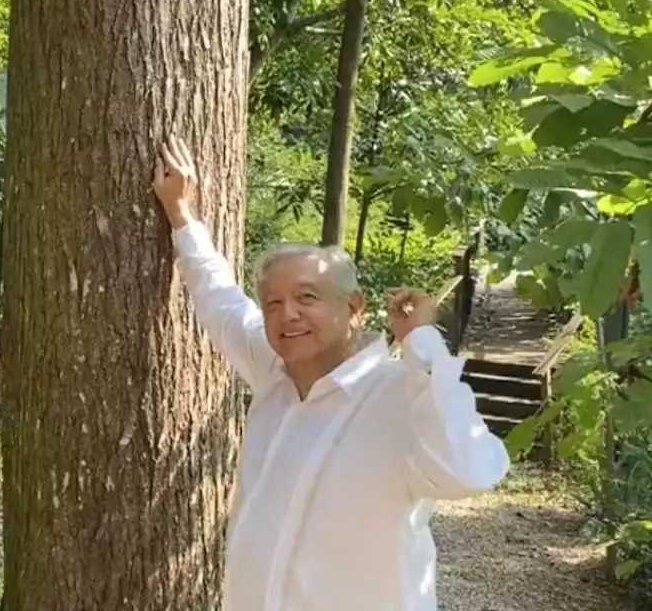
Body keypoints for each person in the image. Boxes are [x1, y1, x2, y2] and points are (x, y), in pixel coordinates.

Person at [151, 136, 510, 611]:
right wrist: (181, 216)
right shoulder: (275, 372)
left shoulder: (399, 393)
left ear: (354, 308)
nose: (287, 315)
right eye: (274, 303)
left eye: (307, 297)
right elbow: (221, 300)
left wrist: (423, 341)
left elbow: (470, 472)